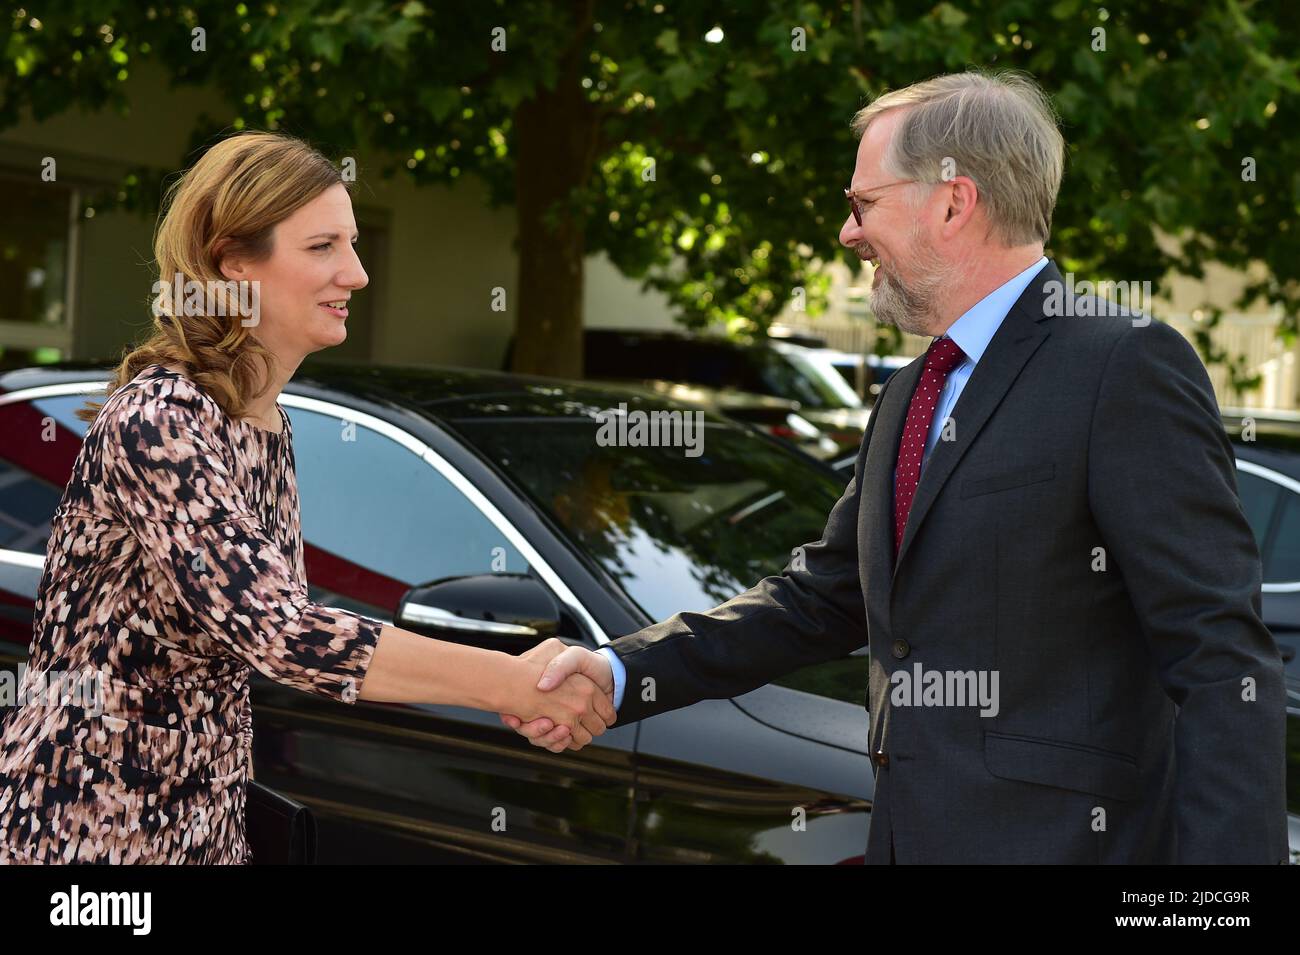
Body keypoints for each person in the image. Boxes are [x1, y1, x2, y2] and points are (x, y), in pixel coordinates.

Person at [502, 71, 1289, 864]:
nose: (849, 234)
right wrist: (619, 670)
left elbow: (1221, 658)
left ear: (953, 202)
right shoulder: (910, 392)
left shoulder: (1123, 365)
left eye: (862, 204)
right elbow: (821, 597)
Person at [0, 131, 613, 864]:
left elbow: (253, 651)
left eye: (352, 244)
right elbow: (285, 633)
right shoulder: (159, 420)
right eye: (322, 246)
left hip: (202, 831)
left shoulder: (264, 424)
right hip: (87, 838)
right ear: (234, 262)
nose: (355, 273)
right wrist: (512, 681)